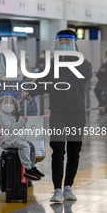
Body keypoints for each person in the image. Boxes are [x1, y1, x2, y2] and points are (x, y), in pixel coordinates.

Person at [21, 29, 90, 202]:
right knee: (58, 149)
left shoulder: (84, 64)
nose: (64, 45)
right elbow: (43, 81)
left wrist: (49, 83)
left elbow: (64, 81)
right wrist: (31, 91)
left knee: (74, 151)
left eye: (68, 42)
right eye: (62, 43)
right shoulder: (52, 64)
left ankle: (68, 187)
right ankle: (57, 189)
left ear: (74, 44)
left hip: (76, 113)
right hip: (58, 112)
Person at [0, 92, 45, 181]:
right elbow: (11, 128)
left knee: (30, 145)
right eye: (5, 102)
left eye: (11, 102)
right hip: (5, 141)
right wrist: (22, 121)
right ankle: (27, 169)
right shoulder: (1, 116)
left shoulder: (8, 115)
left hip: (10, 138)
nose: (8, 104)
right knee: (24, 145)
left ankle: (32, 166)